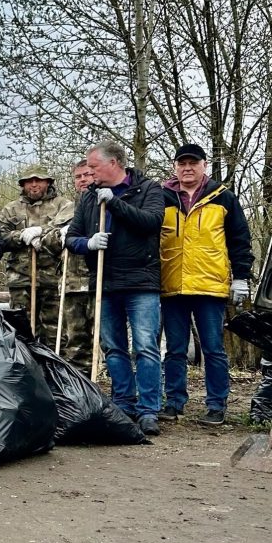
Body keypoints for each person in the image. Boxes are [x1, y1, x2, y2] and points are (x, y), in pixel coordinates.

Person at [65, 140, 165, 435]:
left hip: (140, 281)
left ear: (114, 163)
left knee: (146, 346)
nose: (90, 172)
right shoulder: (89, 198)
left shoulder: (148, 189)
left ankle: (148, 410)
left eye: (94, 167)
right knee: (112, 346)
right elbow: (72, 237)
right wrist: (88, 243)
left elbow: (151, 222)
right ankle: (123, 403)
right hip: (105, 282)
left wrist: (116, 203)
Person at [159, 143, 253, 425]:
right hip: (171, 283)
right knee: (174, 349)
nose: (187, 169)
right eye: (182, 164)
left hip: (210, 285)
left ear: (204, 165)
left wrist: (240, 277)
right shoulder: (162, 197)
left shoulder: (223, 198)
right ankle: (174, 403)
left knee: (213, 348)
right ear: (175, 167)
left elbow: (239, 240)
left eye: (193, 163)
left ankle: (216, 405)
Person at [0, 165, 74, 344]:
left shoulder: (64, 205)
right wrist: (21, 236)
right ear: (23, 185)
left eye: (38, 180)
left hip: (53, 278)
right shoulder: (11, 209)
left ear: (47, 182)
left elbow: (67, 228)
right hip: (21, 278)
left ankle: (52, 368)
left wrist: (42, 232)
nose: (34, 185)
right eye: (29, 181)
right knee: (20, 330)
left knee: (55, 331)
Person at [61, 160, 97, 371]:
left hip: (99, 280)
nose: (83, 180)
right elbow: (48, 239)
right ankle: (79, 386)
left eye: (87, 175)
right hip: (72, 282)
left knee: (105, 339)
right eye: (78, 177)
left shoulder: (104, 203)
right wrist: (58, 235)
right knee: (74, 340)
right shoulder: (65, 208)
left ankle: (106, 384)